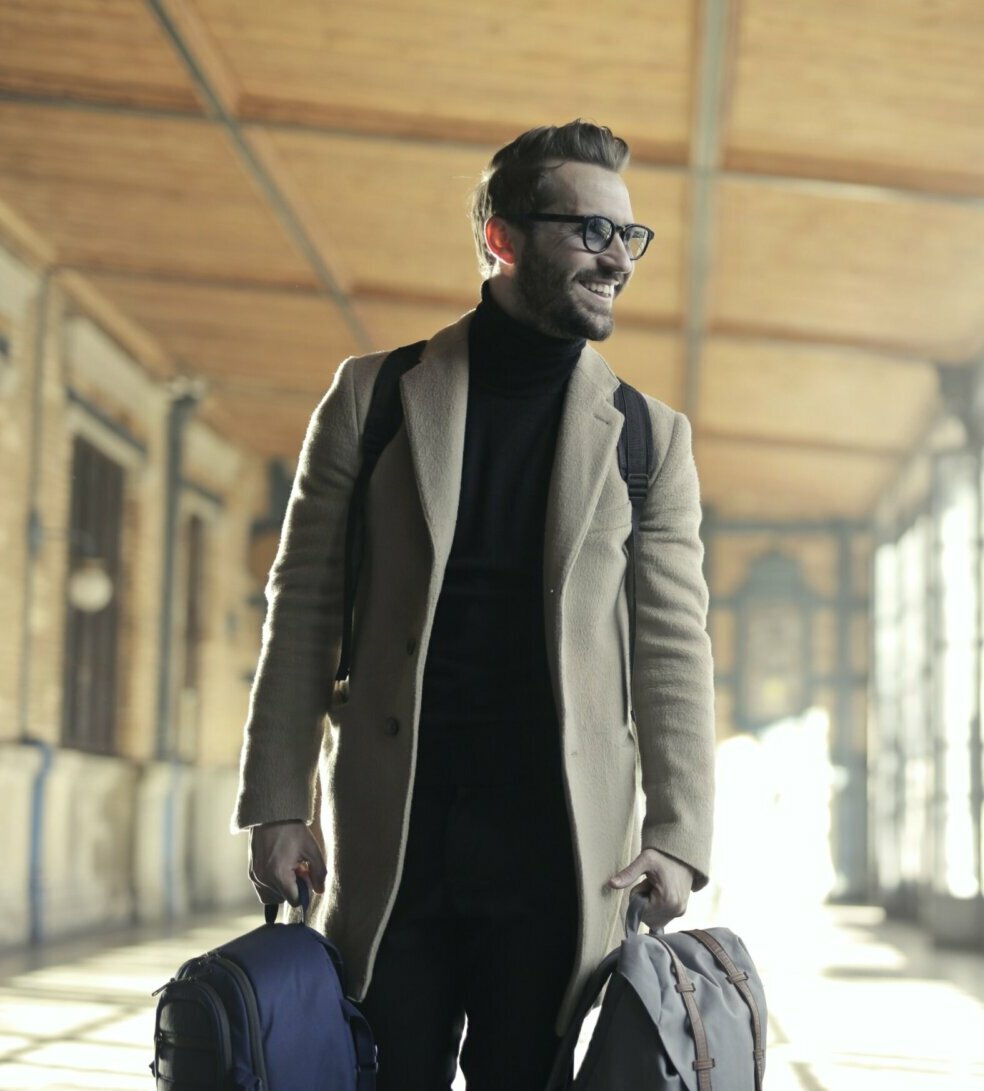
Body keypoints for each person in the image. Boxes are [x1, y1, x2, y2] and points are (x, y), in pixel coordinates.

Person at [234, 119, 715, 1090]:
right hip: (396, 835)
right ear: (502, 239)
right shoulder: (373, 398)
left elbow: (673, 647)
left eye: (630, 237)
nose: (618, 258)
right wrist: (279, 799)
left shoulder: (646, 438)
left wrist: (678, 831)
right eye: (590, 232)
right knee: (386, 1069)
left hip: (559, 850)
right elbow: (304, 605)